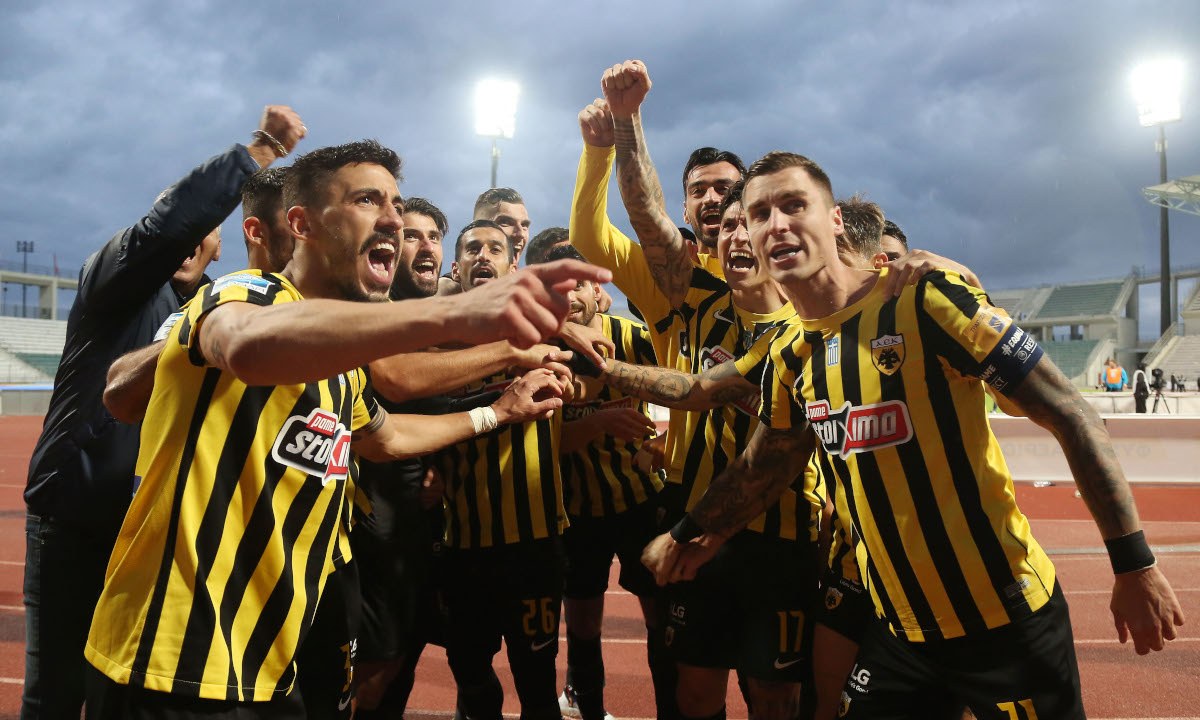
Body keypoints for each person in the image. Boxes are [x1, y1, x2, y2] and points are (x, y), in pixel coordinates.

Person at [645, 150, 1185, 719]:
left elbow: (1071, 413)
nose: (776, 224)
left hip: (1004, 621)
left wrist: (1133, 564)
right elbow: (766, 462)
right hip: (899, 631)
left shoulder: (927, 298)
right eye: (760, 215)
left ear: (834, 220)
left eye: (794, 205)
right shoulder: (788, 351)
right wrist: (688, 533)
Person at [82, 140, 609, 718]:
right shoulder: (246, 293)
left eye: (396, 205)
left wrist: (499, 412)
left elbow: (384, 438)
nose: (392, 220)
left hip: (265, 665)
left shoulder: (344, 363)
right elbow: (243, 344)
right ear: (301, 224)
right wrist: (458, 313)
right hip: (174, 659)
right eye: (366, 200)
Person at [22, 104, 304, 720]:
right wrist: (259, 152)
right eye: (179, 225)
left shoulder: (224, 307)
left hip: (158, 534)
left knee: (122, 689)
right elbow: (167, 227)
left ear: (219, 246)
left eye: (203, 231)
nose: (188, 239)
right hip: (78, 518)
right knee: (56, 694)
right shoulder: (114, 286)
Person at [432, 219, 582, 720]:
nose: (483, 256)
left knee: (537, 686)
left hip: (534, 546)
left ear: (513, 265)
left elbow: (580, 381)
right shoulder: (435, 345)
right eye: (472, 248)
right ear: (456, 268)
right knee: (471, 679)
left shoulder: (545, 331)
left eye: (495, 249)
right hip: (463, 545)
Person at [534, 245, 663, 720]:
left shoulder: (634, 337)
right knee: (583, 624)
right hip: (576, 510)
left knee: (660, 617)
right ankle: (588, 709)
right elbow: (542, 444)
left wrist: (667, 446)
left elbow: (690, 383)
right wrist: (598, 423)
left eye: (579, 286)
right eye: (557, 289)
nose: (569, 298)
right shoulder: (538, 349)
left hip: (641, 502)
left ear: (597, 291)